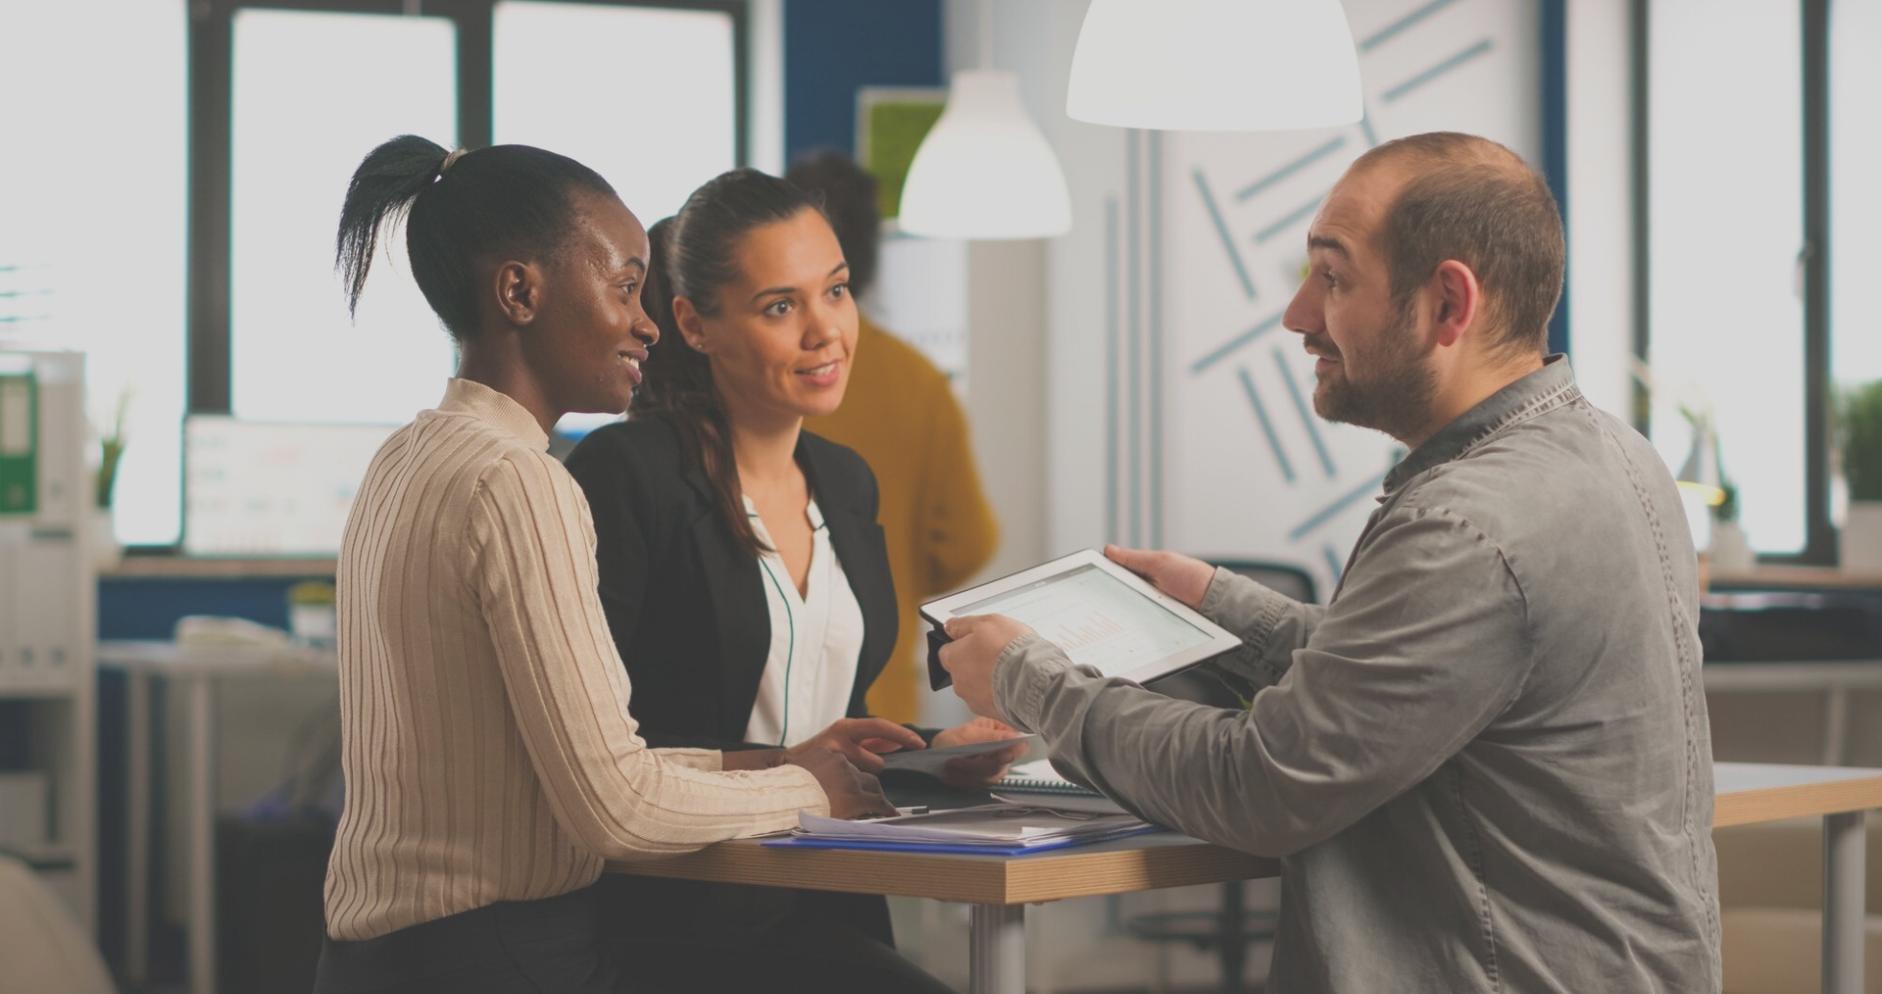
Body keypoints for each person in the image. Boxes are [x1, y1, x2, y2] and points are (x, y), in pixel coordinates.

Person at [940, 132, 1722, 993]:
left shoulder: (1466, 526)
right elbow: (1419, 683)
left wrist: (1028, 680)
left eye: (1333, 278)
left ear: (1448, 304)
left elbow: (1258, 784)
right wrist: (1219, 606)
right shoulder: (1615, 456)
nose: (1298, 315)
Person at [316, 136, 892, 994]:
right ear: (520, 292)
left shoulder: (406, 457)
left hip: (379, 962)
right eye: (624, 287)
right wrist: (808, 791)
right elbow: (617, 806)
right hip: (502, 958)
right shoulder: (521, 481)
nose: (645, 322)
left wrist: (773, 765)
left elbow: (566, 766)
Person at [564, 169, 1018, 993]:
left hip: (831, 899)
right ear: (694, 324)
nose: (826, 331)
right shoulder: (627, 475)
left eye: (835, 292)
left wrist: (928, 757)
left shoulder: (845, 482)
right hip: (678, 919)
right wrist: (783, 770)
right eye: (780, 306)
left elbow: (827, 725)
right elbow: (591, 752)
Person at [787, 150, 1001, 723]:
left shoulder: (754, 374)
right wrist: (892, 578)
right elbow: (967, 542)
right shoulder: (915, 379)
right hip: (880, 694)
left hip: (753, 707)